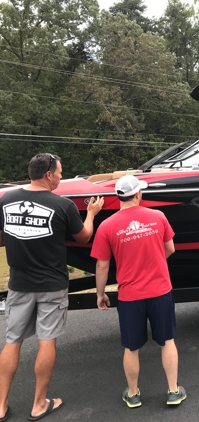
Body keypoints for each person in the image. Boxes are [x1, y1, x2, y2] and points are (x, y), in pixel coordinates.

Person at [0, 153, 104, 421]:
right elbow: (84, 237)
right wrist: (91, 213)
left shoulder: (6, 200)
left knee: (12, 342)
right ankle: (38, 405)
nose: (61, 176)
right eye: (59, 172)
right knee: (47, 341)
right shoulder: (63, 205)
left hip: (19, 284)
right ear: (48, 174)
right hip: (52, 285)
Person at [91, 174, 186, 409]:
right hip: (160, 291)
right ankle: (173, 391)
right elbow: (170, 249)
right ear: (138, 194)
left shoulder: (106, 226)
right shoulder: (158, 216)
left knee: (131, 347)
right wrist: (152, 261)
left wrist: (100, 293)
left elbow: (102, 264)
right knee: (167, 341)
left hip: (129, 296)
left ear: (118, 197)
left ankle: (133, 394)